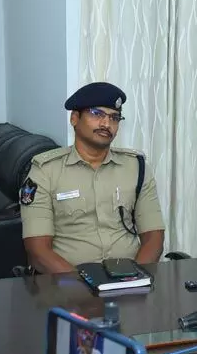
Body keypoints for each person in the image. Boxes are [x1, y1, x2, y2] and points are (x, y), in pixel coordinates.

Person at [21, 82, 165, 272]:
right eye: (97, 114)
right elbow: (38, 250)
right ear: (74, 118)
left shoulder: (136, 167)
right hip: (67, 285)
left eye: (114, 118)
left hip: (129, 280)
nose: (107, 124)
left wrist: (135, 279)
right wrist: (83, 286)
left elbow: (154, 237)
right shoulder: (45, 171)